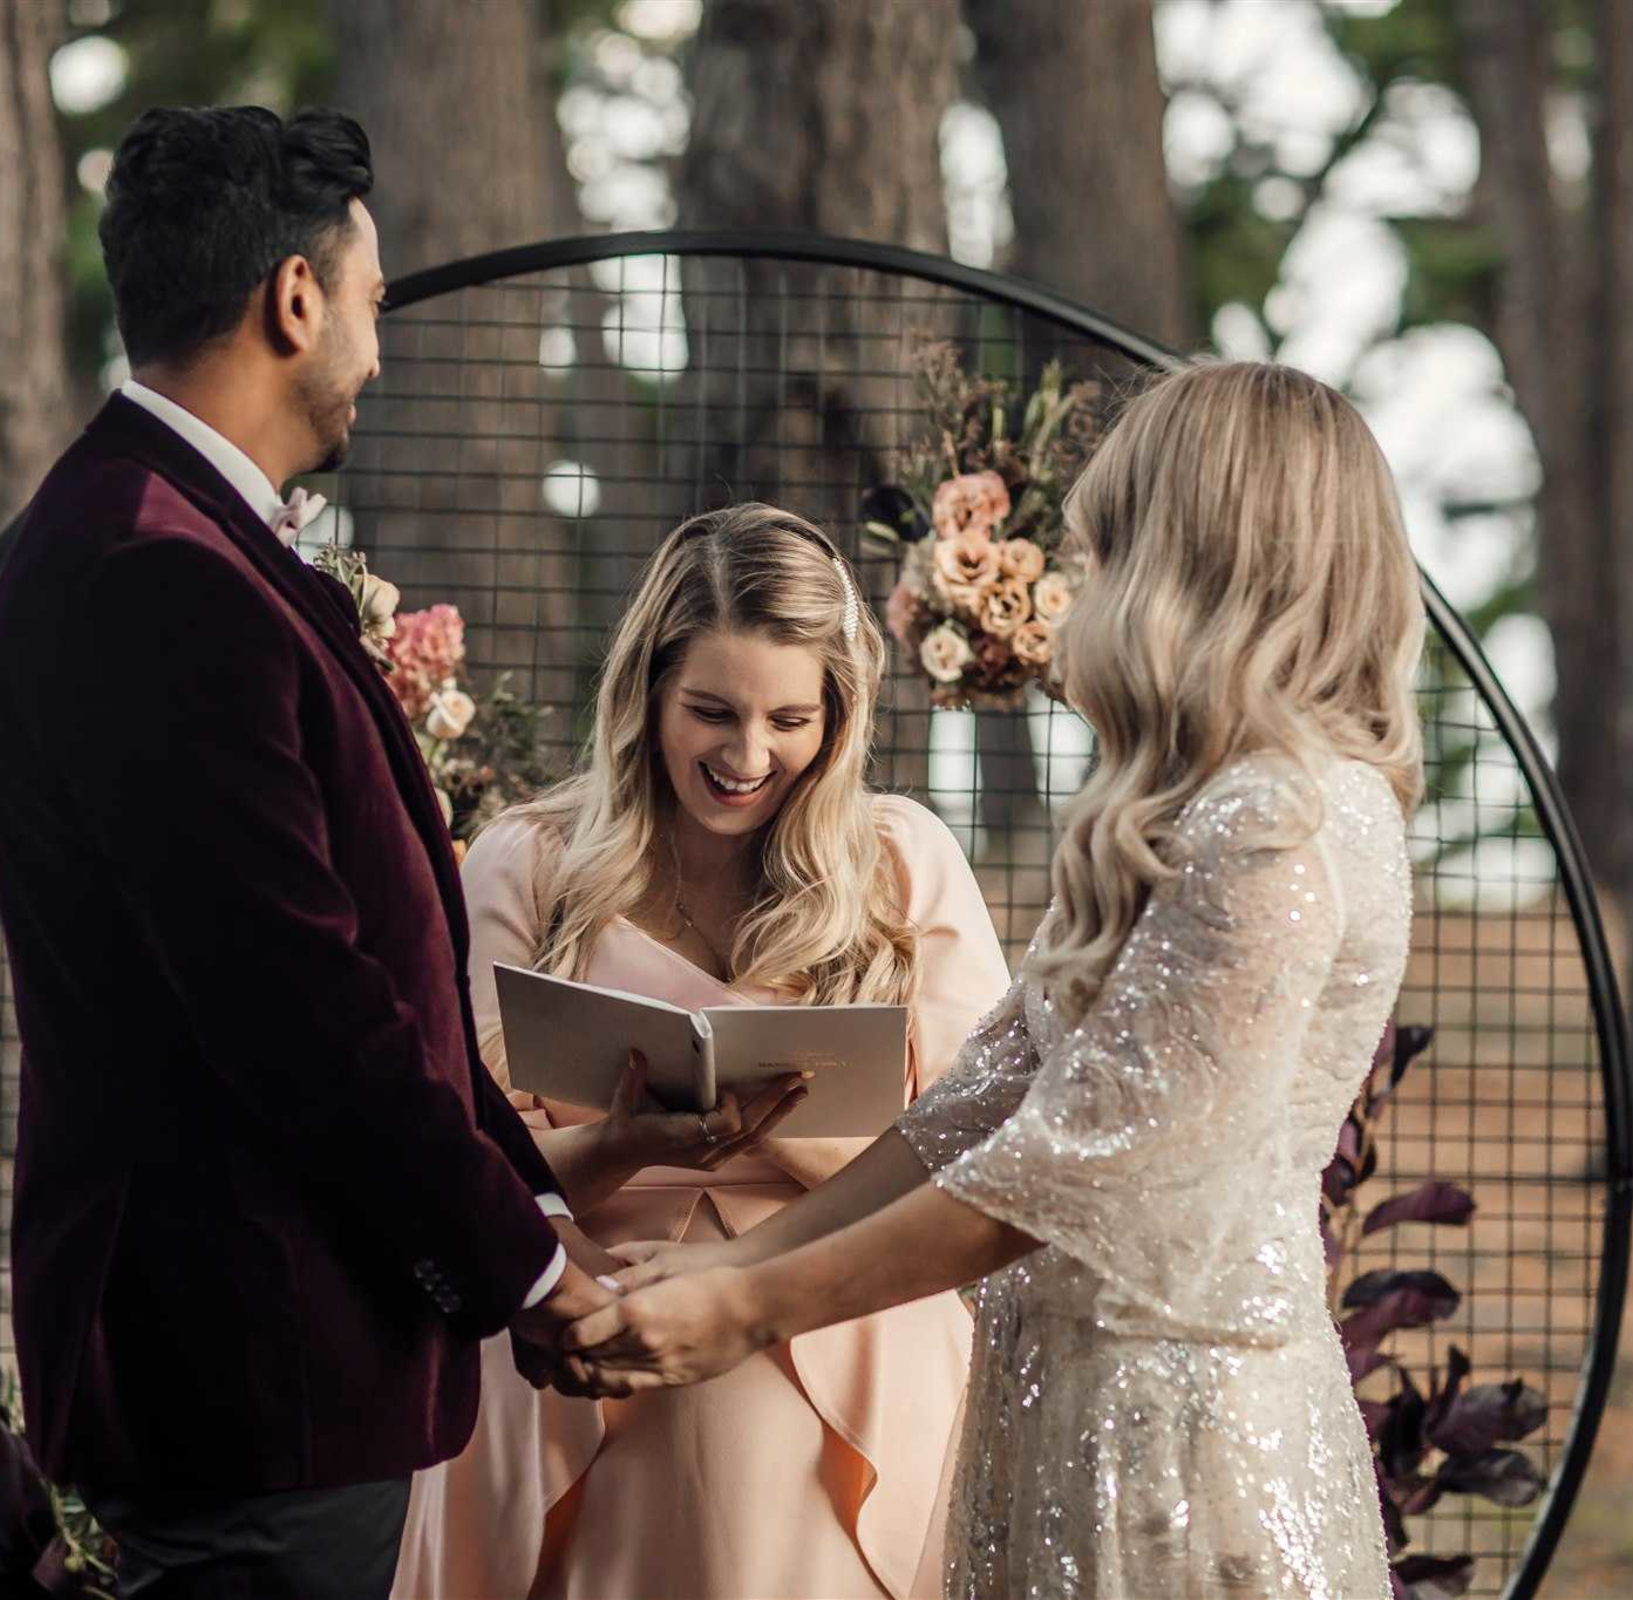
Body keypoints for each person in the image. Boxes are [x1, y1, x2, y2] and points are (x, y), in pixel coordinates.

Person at [564, 362, 1427, 1600]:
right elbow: (985, 1100)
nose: (1087, 586)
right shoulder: (1192, 803)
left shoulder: (1283, 820)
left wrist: (758, 1309)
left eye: (1112, 546)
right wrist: (743, 1266)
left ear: (1197, 557)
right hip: (1067, 1395)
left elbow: (1080, 1168)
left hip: (1178, 1436)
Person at [0, 106, 614, 1599]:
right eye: (374, 303)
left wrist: (539, 1208)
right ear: (296, 297)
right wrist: (517, 1262)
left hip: (281, 1349)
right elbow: (294, 1002)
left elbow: (370, 970)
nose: (378, 352)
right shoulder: (154, 576)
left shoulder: (175, 534)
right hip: (250, 1358)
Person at [394, 504, 1011, 1599]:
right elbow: (460, 1166)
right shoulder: (529, 864)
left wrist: (782, 1141)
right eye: (711, 712)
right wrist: (628, 1142)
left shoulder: (901, 859)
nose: (746, 756)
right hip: (582, 1338)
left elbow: (982, 1158)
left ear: (839, 714)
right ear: (646, 695)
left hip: (844, 1324)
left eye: (789, 719)